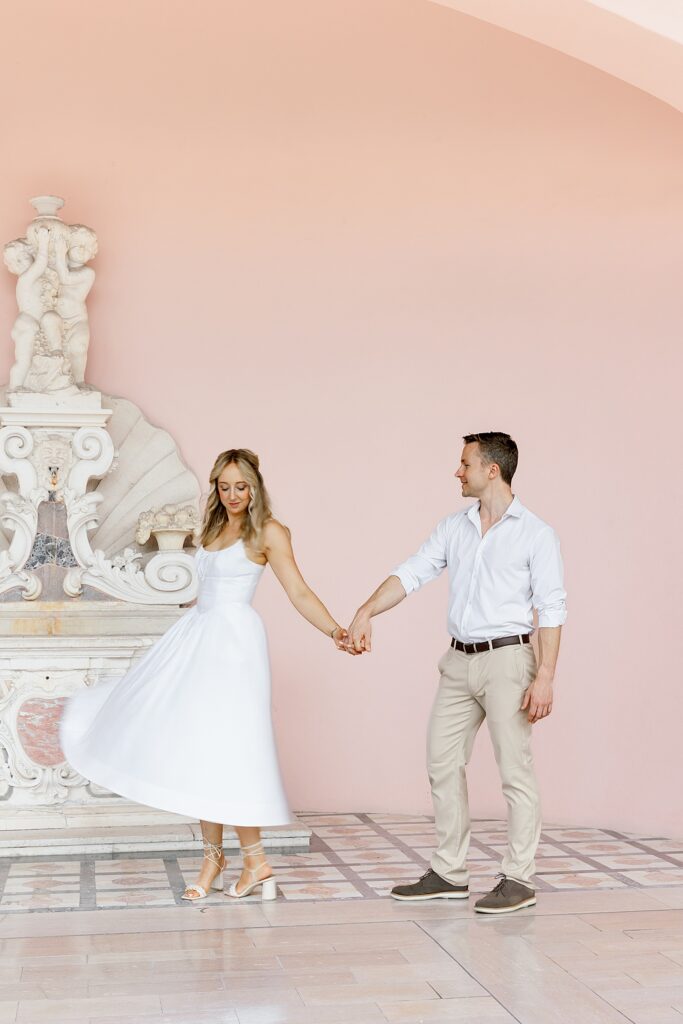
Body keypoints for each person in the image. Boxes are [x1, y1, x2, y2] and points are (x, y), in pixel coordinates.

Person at [61, 448, 349, 902]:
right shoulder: (212, 528)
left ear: (255, 487)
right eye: (224, 485)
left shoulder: (270, 532)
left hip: (235, 644)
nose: (232, 494)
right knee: (201, 747)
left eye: (241, 486)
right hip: (198, 637)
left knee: (232, 747)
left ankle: (252, 860)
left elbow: (298, 591)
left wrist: (336, 629)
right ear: (216, 487)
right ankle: (223, 858)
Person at [345, 432, 566, 914]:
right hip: (458, 660)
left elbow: (550, 608)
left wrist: (545, 674)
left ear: (492, 470)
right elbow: (413, 571)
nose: (457, 471)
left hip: (509, 660)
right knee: (441, 761)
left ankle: (518, 878)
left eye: (464, 463)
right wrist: (366, 611)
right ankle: (449, 871)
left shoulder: (536, 534)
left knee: (515, 770)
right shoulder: (455, 527)